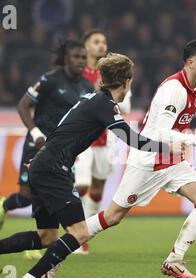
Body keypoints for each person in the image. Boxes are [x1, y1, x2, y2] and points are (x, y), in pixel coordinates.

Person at [0, 53, 182, 278]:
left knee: (46, 237)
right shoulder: (104, 105)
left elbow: (61, 126)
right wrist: (167, 147)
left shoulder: (89, 98)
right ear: (127, 82)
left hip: (43, 165)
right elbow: (130, 138)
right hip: (54, 168)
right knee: (80, 232)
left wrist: (40, 159)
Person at [64, 39, 196, 278]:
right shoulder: (174, 89)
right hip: (148, 159)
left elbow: (176, 127)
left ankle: (174, 261)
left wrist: (188, 140)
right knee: (113, 217)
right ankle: (57, 254)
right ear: (190, 62)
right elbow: (159, 132)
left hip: (171, 159)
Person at [0, 40, 94, 259]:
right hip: (36, 145)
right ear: (66, 58)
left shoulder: (86, 87)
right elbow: (23, 105)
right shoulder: (50, 79)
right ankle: (6, 204)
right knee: (27, 196)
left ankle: (39, 241)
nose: (80, 61)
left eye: (83, 57)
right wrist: (36, 132)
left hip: (61, 153)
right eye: (76, 57)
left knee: (57, 196)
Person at [73, 29, 132, 255]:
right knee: (82, 185)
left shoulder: (114, 73)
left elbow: (125, 106)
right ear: (86, 46)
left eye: (103, 41)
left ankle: (83, 236)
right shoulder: (77, 75)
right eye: (96, 41)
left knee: (97, 188)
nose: (101, 45)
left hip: (106, 140)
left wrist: (108, 94)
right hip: (83, 139)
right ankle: (70, 230)